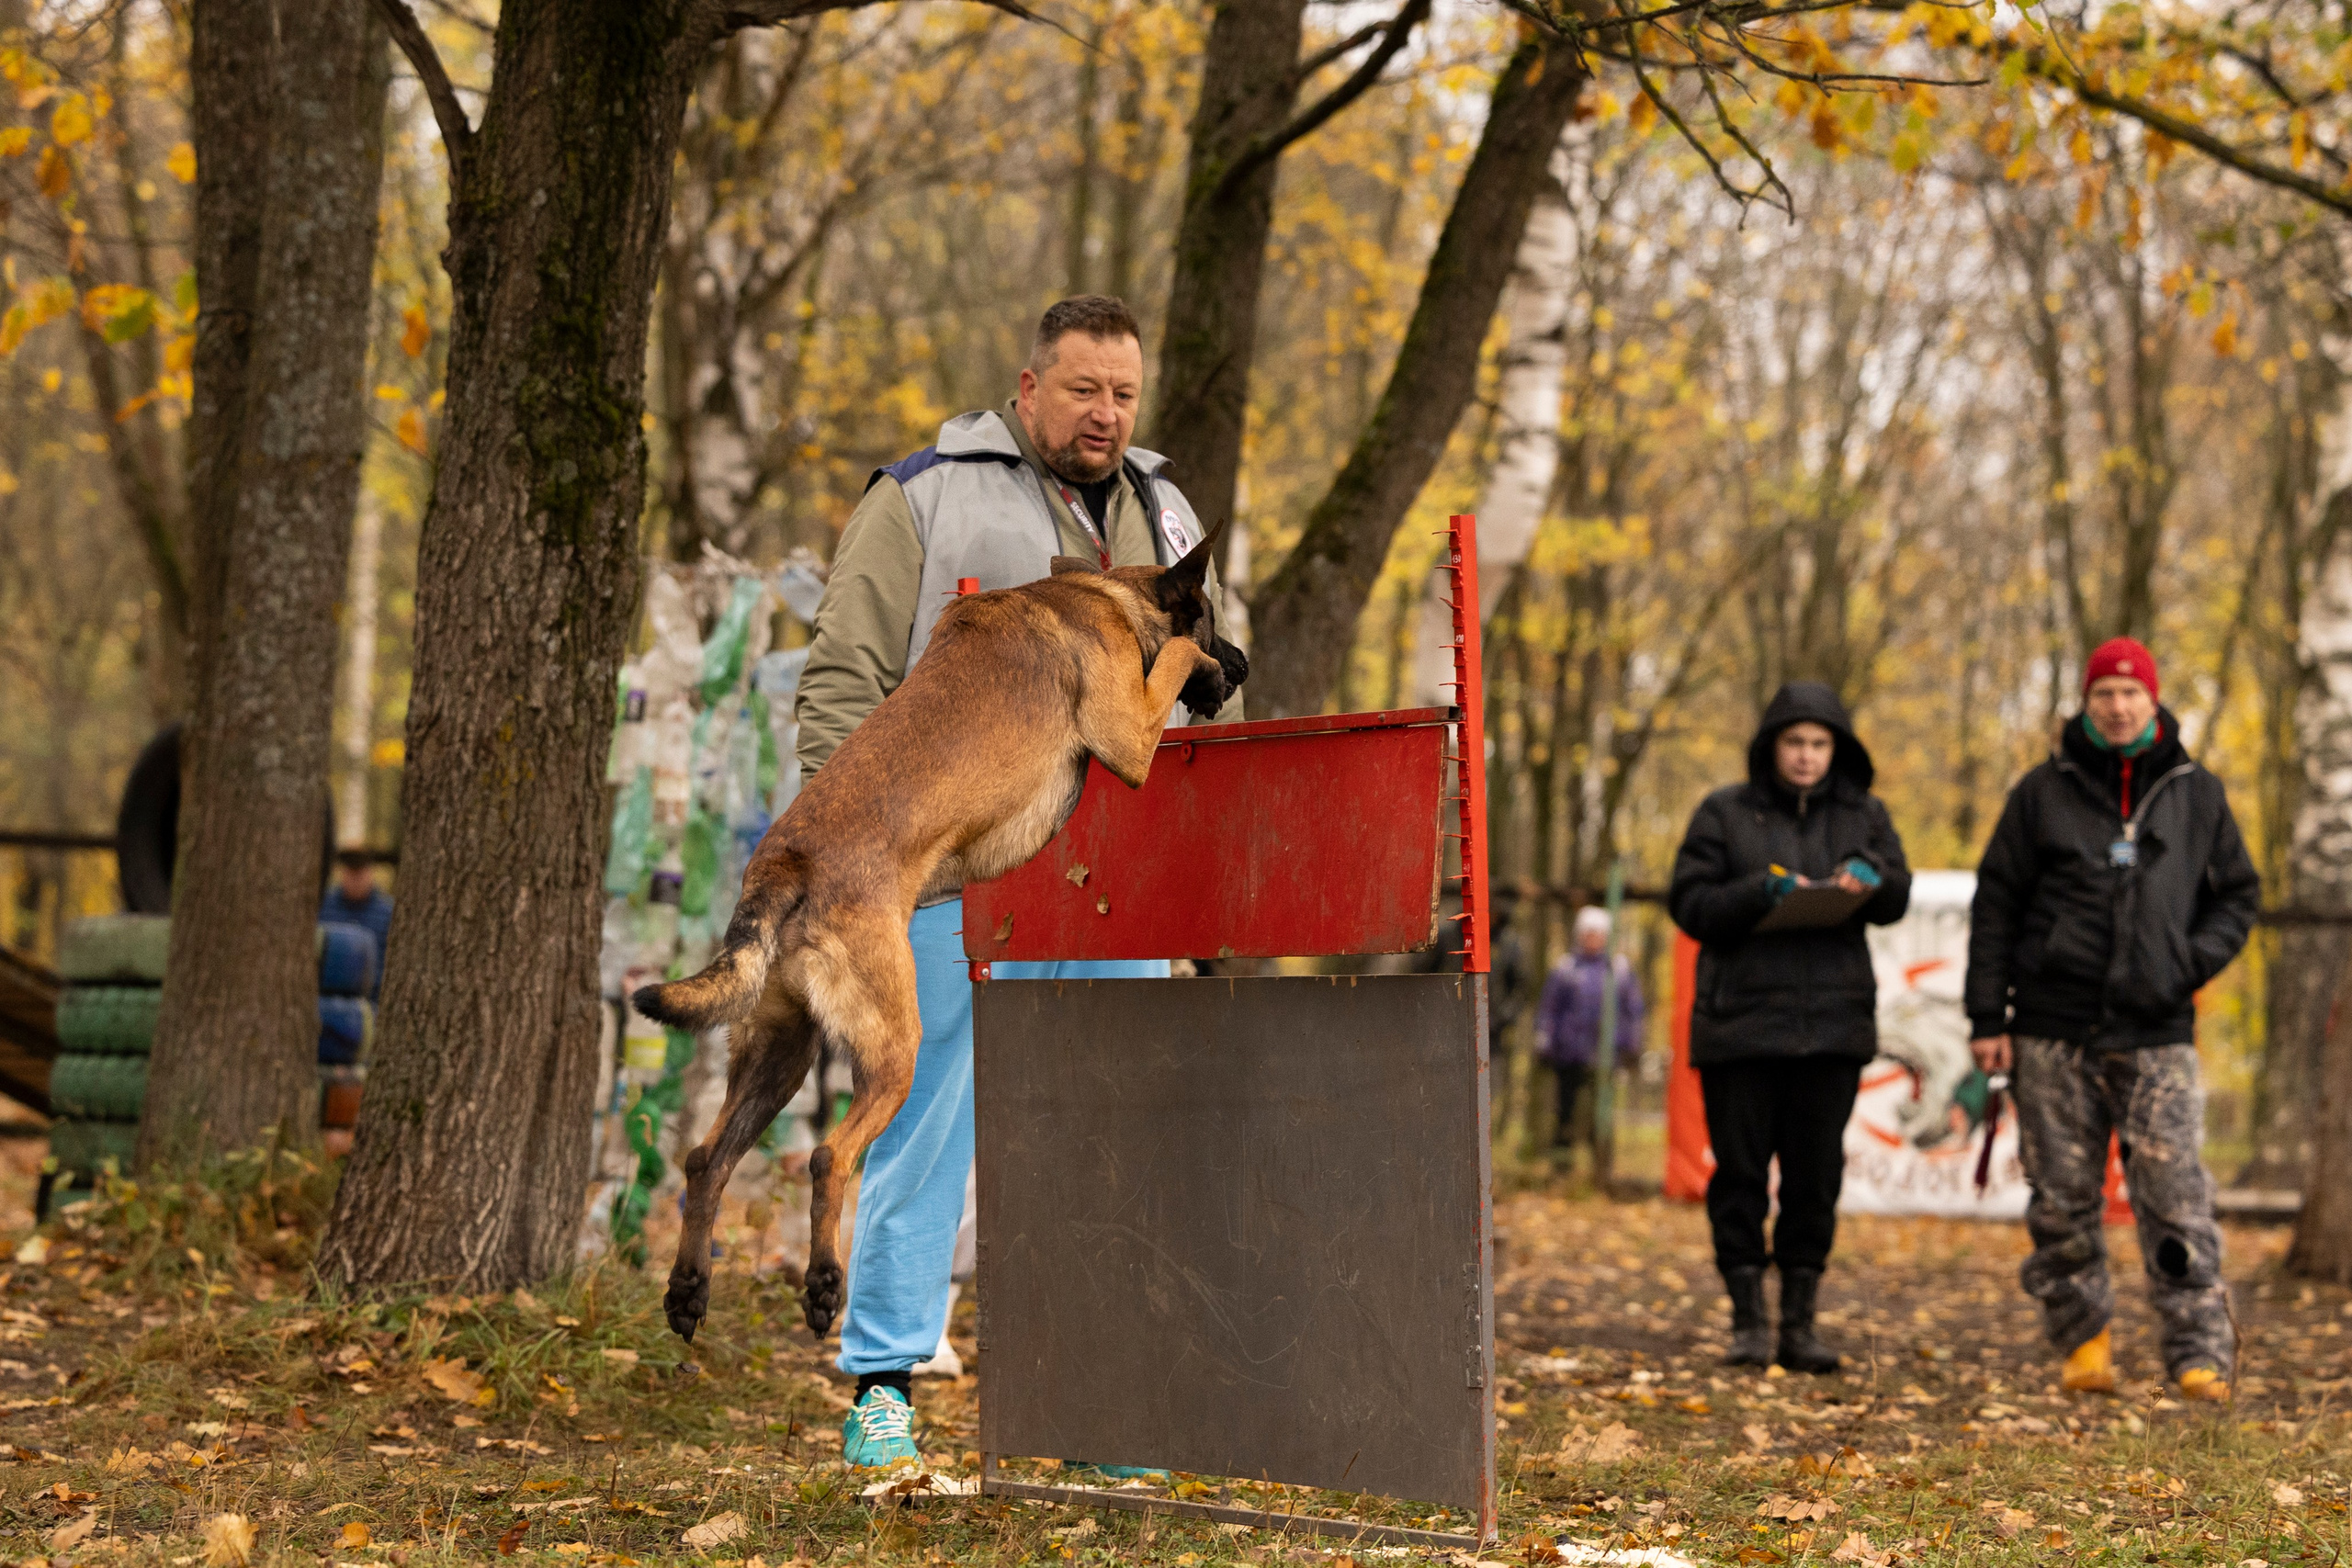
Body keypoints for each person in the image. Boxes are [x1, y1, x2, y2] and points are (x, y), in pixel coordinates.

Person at [795, 296, 1241, 1469]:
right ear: (1029, 385)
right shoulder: (926, 491)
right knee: (920, 1121)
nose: (1104, 415)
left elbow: (1211, 687)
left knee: (1108, 1135)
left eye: (1123, 394)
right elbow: (843, 678)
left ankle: (1093, 1402)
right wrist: (864, 870)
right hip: (951, 871)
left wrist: (1200, 878)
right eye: (1084, 389)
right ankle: (882, 1389)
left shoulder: (1166, 508)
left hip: (1121, 881)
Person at [1964, 637, 2257, 1402]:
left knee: (2175, 1197)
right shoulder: (2041, 791)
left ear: (2153, 701)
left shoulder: (2198, 793)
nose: (2119, 706)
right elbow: (1996, 904)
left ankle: (2198, 1351)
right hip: (2050, 1029)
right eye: (2105, 694)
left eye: (2132, 692)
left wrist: (2185, 964)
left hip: (2158, 1032)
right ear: (2086, 703)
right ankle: (2083, 1338)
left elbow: (2238, 897)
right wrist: (1985, 1013)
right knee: (2061, 1197)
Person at [1668, 682, 1910, 1372]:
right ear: (1771, 745)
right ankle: (1748, 1318)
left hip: (1830, 1031)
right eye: (1795, 742)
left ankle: (1800, 1323)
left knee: (1814, 1177)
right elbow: (1690, 903)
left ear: (1837, 749)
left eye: (1819, 743)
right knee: (1739, 1175)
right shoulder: (1723, 813)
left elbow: (1898, 893)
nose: (1806, 756)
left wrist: (1874, 879)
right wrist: (1756, 892)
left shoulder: (1865, 814)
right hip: (1739, 1029)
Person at [1534, 906, 1644, 1176]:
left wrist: (1631, 1045)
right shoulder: (1565, 969)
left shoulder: (1618, 970)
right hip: (1569, 1054)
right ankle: (1562, 1168)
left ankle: (1601, 1171)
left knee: (1602, 1114)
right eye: (1588, 933)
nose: (1593, 939)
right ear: (1580, 935)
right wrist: (1545, 1041)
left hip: (1605, 1055)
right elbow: (1550, 1008)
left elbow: (1632, 1010)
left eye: (1598, 934)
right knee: (1566, 1111)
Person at [321, 849, 392, 999]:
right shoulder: (324, 907)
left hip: (374, 999)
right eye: (350, 874)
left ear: (370, 874)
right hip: (327, 997)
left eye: (360, 874)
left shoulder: (388, 913)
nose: (355, 881)